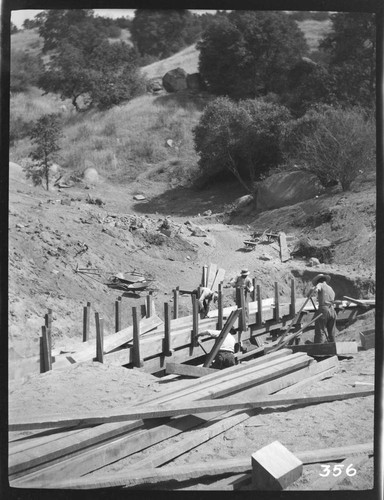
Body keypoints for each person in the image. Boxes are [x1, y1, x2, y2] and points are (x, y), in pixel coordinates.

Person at [311, 274, 337, 343]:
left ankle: (318, 351)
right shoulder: (330, 288)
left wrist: (311, 292)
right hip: (332, 310)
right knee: (331, 333)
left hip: (324, 310)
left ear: (318, 281)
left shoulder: (320, 285)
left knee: (320, 331)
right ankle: (333, 348)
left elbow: (315, 290)